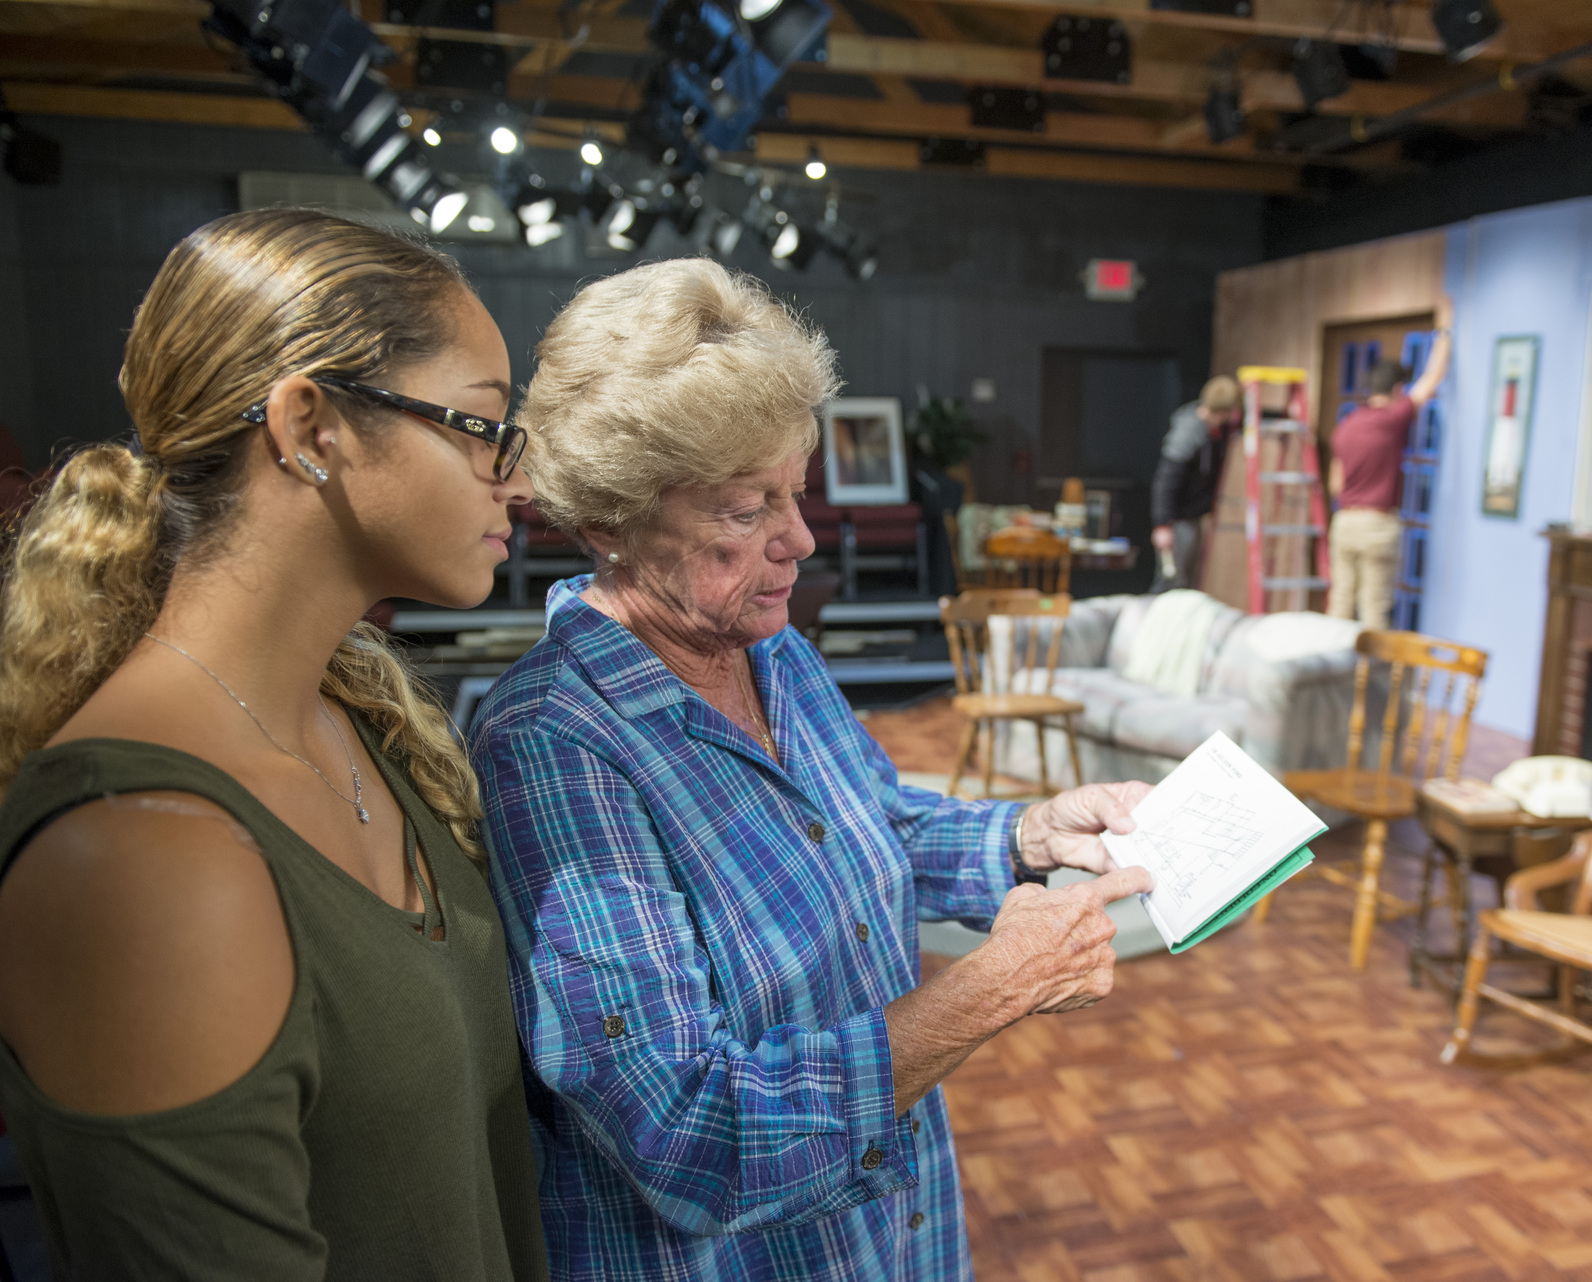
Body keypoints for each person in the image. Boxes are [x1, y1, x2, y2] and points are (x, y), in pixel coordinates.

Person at [471, 258, 1156, 1282]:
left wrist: (1028, 834)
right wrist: (988, 990)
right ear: (610, 519)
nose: (800, 538)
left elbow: (867, 823)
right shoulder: (554, 743)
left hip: (889, 1234)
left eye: (795, 490)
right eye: (743, 510)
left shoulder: (766, 644)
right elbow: (686, 1133)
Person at [0, 210, 548, 1279]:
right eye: (482, 425)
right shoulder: (143, 859)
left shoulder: (359, 724)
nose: (517, 479)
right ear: (309, 427)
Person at [1327, 298, 1454, 631]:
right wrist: (1445, 331)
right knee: (1374, 608)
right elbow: (1432, 379)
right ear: (1397, 389)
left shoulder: (1347, 425)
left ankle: (1329, 673)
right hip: (1377, 524)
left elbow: (1335, 486)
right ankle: (1370, 679)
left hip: (1344, 521)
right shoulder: (1393, 417)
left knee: (1340, 601)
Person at [1149, 375, 1242, 590]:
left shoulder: (1216, 429)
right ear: (1222, 411)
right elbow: (1166, 480)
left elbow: (1246, 420)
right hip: (1178, 520)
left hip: (1192, 517)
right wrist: (1162, 524)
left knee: (1187, 582)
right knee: (1171, 580)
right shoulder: (1189, 433)